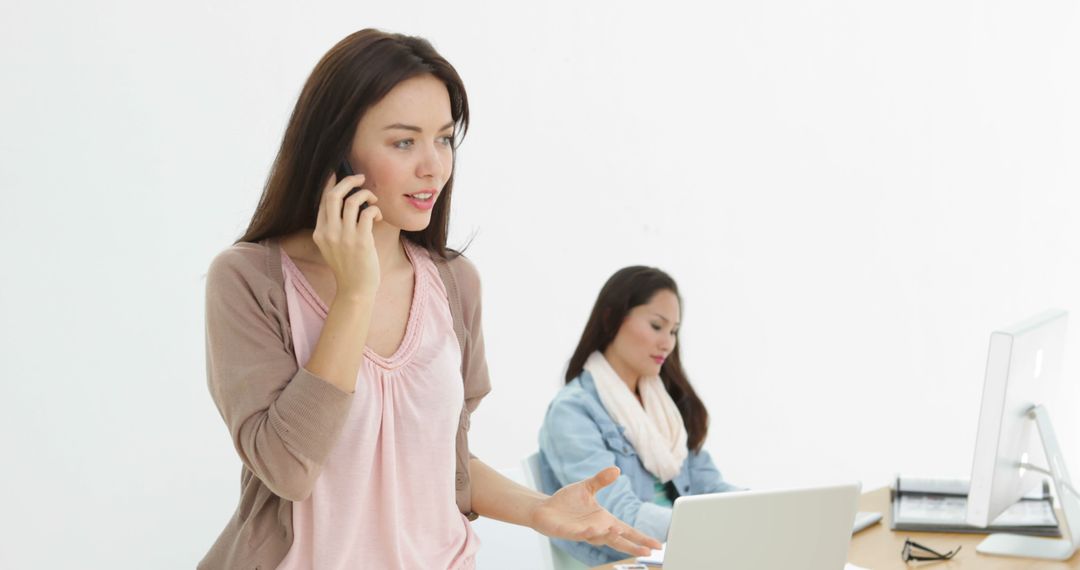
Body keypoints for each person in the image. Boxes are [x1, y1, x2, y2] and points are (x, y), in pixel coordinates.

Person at [200, 29, 660, 570]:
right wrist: (356, 294)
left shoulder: (454, 282)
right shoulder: (249, 280)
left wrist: (540, 510)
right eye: (403, 142)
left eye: (443, 138)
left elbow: (438, 461)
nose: (433, 166)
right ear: (336, 150)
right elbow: (289, 467)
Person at [538, 266, 739, 566]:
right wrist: (708, 530)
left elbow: (707, 486)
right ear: (612, 318)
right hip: (624, 560)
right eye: (657, 326)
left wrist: (758, 512)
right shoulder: (573, 411)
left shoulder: (666, 406)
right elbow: (616, 516)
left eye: (673, 331)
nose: (668, 343)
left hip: (680, 551)